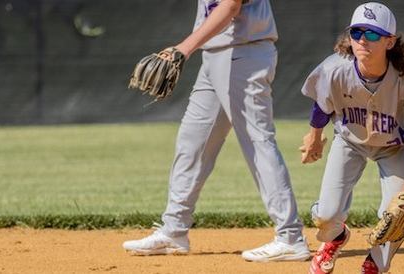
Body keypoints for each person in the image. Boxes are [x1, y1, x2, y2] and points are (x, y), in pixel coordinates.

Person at [123, 0, 310, 262]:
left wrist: (183, 49)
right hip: (215, 56)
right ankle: (174, 231)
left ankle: (290, 237)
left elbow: (231, 5)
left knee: (258, 143)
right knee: (193, 142)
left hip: (244, 54)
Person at [299, 2, 404, 273]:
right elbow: (322, 104)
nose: (363, 39)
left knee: (395, 216)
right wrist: (314, 136)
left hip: (395, 148)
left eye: (373, 34)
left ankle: (376, 262)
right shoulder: (336, 69)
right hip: (349, 142)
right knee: (325, 216)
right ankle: (336, 237)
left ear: (390, 42)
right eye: (357, 32)